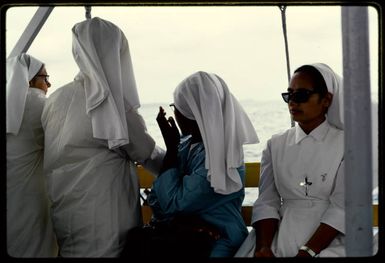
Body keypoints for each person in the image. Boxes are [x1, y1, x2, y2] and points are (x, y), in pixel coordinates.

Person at [41, 17, 165, 257]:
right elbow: (148, 154)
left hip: (67, 217)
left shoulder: (55, 99)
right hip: (107, 220)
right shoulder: (111, 103)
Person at [123, 71, 259, 258]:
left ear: (192, 113)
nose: (175, 114)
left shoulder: (222, 155)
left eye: (176, 108)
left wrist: (171, 152)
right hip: (184, 236)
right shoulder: (187, 144)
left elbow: (173, 204)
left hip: (217, 240)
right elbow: (156, 200)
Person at [235, 63, 345, 257]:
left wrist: (308, 251)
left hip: (330, 237)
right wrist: (263, 247)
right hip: (280, 232)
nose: (293, 102)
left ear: (326, 99)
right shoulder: (275, 144)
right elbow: (267, 201)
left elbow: (342, 207)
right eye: (289, 95)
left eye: (301, 95)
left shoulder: (347, 144)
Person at [6, 53, 58, 257]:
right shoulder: (37, 102)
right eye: (45, 78)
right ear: (29, 79)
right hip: (32, 195)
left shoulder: (11, 106)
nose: (49, 84)